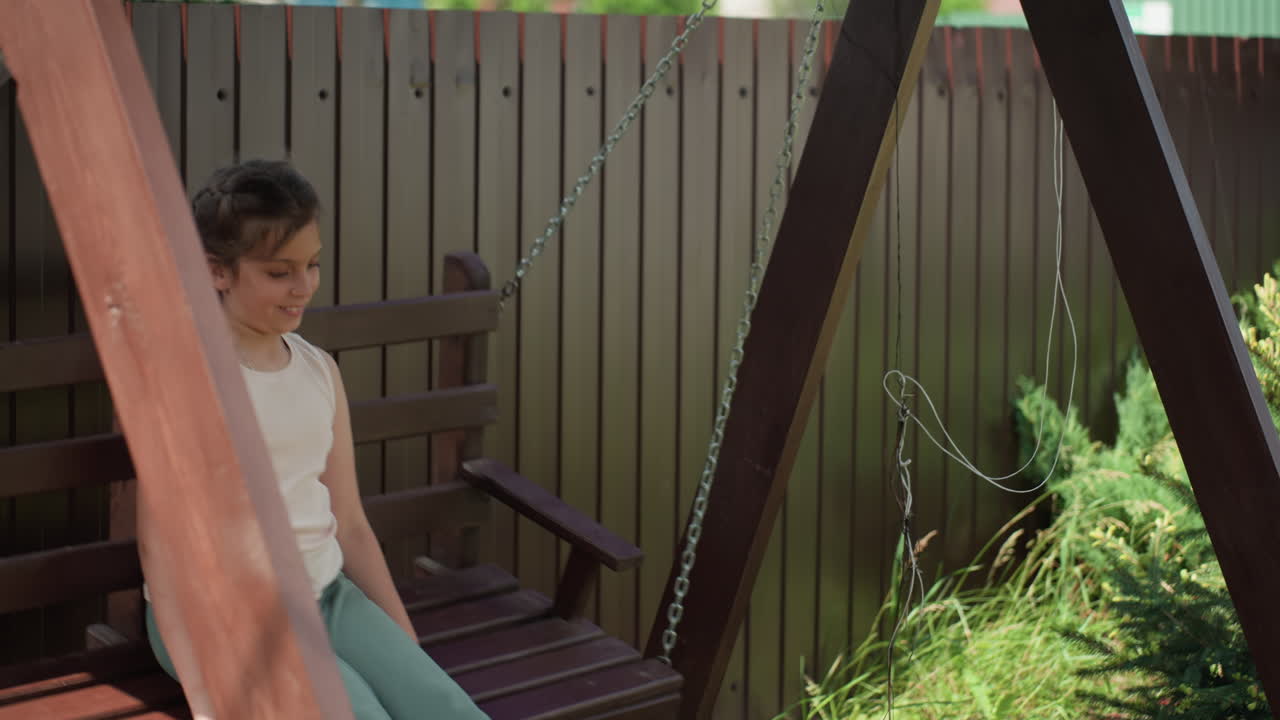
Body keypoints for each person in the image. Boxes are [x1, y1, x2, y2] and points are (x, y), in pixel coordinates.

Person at [139, 159, 489, 720]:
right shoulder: (190, 382)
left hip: (326, 596)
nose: (303, 286)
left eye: (312, 265)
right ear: (217, 271)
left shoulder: (319, 370)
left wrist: (406, 653)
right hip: (226, 618)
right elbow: (161, 548)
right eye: (280, 272)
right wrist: (204, 695)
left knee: (448, 710)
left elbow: (348, 521)